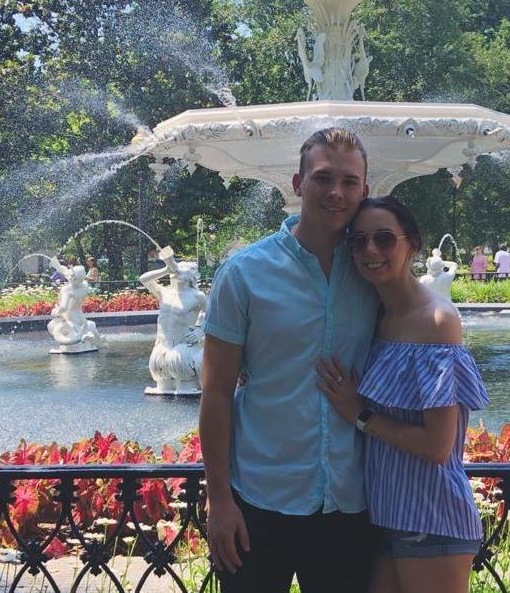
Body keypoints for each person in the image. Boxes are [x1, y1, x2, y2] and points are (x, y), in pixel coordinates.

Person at [200, 128, 378, 593]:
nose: (336, 192)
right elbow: (215, 391)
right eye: (323, 178)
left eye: (349, 181)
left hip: (348, 503)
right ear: (298, 184)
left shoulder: (374, 272)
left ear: (364, 190)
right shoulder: (243, 273)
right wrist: (219, 500)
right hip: (258, 500)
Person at [317, 196, 489, 593]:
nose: (370, 250)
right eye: (358, 241)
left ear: (412, 244)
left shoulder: (436, 321)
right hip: (388, 516)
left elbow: (437, 446)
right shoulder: (377, 316)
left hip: (430, 517)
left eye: (384, 239)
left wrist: (358, 414)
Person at [139, 246, 207, 394]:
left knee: (185, 391)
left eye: (182, 269)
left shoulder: (197, 296)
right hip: (161, 348)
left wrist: (201, 331)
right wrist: (166, 269)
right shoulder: (164, 292)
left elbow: (214, 314)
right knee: (162, 391)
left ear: (191, 275)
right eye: (177, 268)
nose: (177, 270)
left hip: (183, 350)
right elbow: (143, 279)